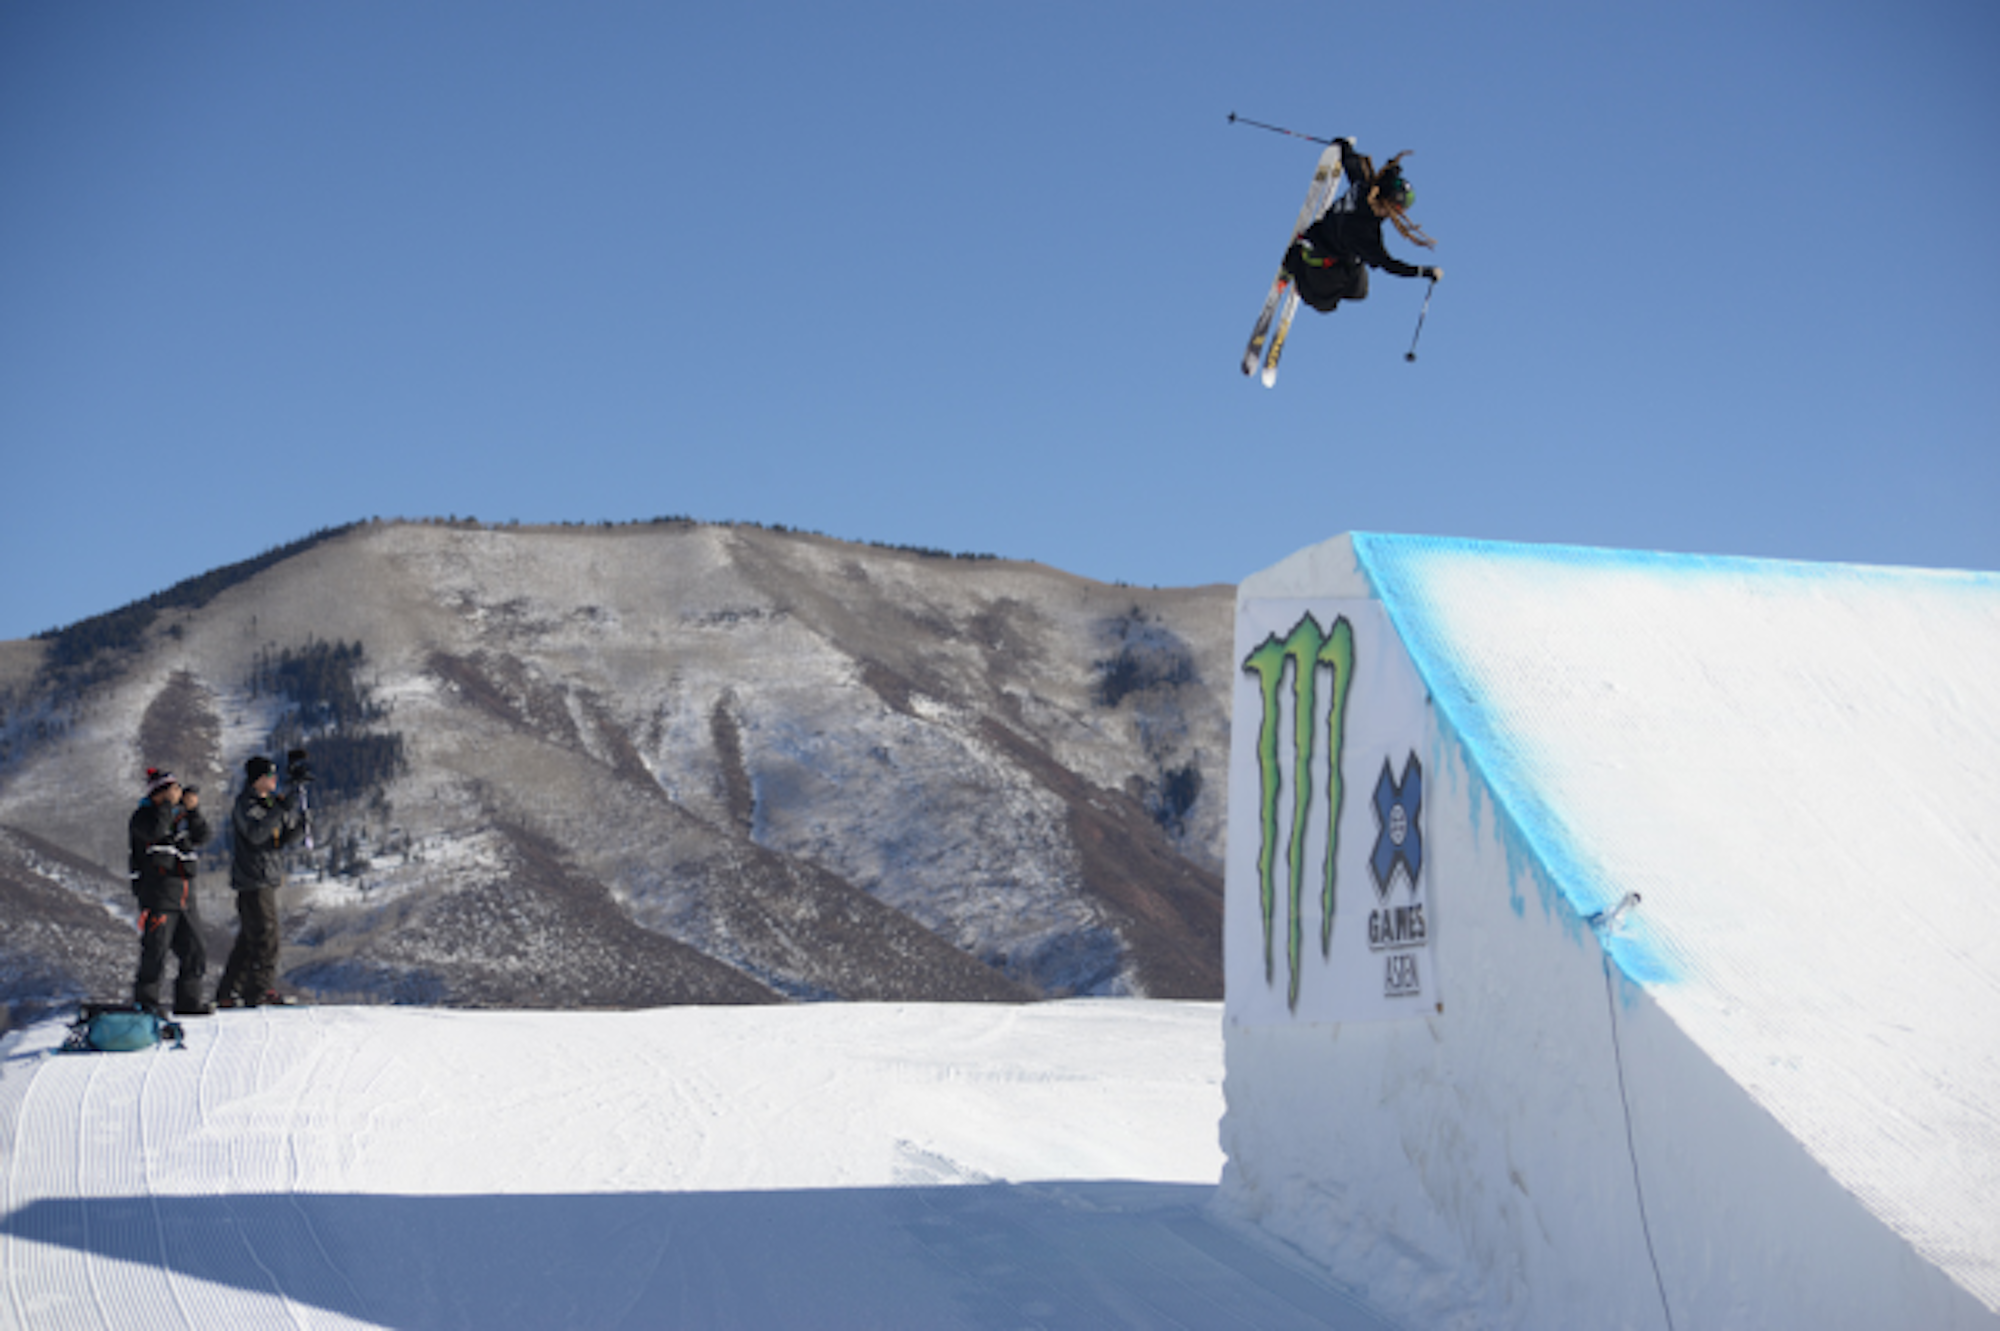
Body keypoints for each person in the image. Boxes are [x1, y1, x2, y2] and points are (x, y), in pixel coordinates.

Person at [1284, 138, 1442, 313]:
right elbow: (1388, 264)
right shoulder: (1364, 231)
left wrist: (1344, 146)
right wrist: (1422, 272)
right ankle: (1296, 264)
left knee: (1359, 292)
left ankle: (1309, 267)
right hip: (1321, 254)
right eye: (1397, 209)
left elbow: (1351, 162)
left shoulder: (1363, 185)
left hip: (1340, 249)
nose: (1397, 215)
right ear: (1386, 203)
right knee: (1325, 303)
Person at [217, 754, 310, 1008]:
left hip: (265, 876)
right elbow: (257, 834)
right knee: (267, 937)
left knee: (249, 939)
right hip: (253, 879)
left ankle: (229, 991)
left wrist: (300, 824)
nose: (274, 780)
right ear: (257, 779)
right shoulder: (245, 804)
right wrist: (280, 809)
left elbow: (279, 840)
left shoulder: (268, 804)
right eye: (270, 776)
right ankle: (259, 989)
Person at [128, 768, 212, 1015]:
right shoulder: (142, 817)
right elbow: (156, 831)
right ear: (158, 794)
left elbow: (202, 835)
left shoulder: (179, 817)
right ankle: (146, 1005)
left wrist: (193, 810)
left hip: (185, 896)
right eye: (171, 790)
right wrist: (167, 806)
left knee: (195, 950)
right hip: (158, 896)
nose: (176, 794)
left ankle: (189, 1001)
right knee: (155, 951)